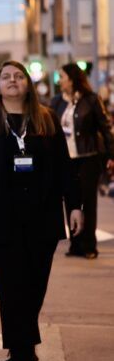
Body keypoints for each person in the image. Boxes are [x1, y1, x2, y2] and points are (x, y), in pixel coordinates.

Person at [0, 60, 83, 361]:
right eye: (6, 77)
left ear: (27, 83)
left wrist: (75, 205)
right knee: (9, 286)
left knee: (34, 284)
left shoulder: (47, 119)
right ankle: (22, 348)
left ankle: (23, 341)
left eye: (19, 76)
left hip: (41, 217)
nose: (13, 80)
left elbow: (64, 168)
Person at [50, 63, 114, 259]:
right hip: (66, 160)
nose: (59, 80)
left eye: (61, 76)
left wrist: (111, 155)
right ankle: (75, 244)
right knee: (70, 200)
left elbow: (105, 128)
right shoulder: (56, 102)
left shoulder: (92, 100)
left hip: (88, 158)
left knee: (87, 201)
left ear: (72, 78)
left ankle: (89, 245)